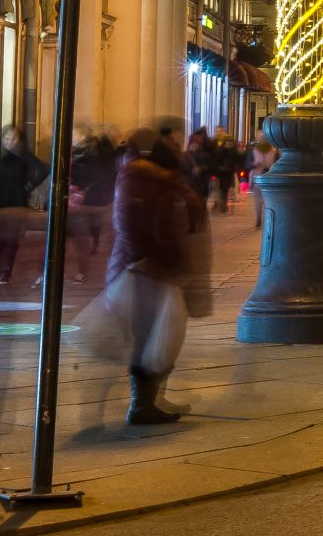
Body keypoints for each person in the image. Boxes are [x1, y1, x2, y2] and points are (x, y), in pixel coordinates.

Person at [108, 127, 204, 424]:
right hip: (148, 269)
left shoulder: (136, 177)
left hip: (143, 267)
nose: (177, 148)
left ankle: (151, 399)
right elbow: (154, 229)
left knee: (155, 335)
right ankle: (142, 404)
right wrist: (169, 262)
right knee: (151, 336)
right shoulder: (149, 180)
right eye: (171, 145)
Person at [0, 127, 45, 285]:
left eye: (14, 138)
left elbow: (43, 169)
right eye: (7, 137)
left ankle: (6, 272)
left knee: (10, 238)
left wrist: (28, 187)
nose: (10, 141)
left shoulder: (22, 155)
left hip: (16, 203)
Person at [68, 126, 120, 284]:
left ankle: (92, 273)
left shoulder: (92, 155)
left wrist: (79, 189)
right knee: (82, 240)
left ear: (83, 137)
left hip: (91, 202)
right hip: (81, 203)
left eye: (75, 135)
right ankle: (84, 272)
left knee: (92, 240)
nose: (72, 138)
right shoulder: (74, 154)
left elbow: (103, 176)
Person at [247, 135, 278, 229]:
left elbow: (277, 164)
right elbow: (247, 164)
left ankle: (265, 219)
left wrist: (270, 167)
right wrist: (254, 165)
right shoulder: (254, 151)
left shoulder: (273, 151)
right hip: (257, 178)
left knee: (267, 201)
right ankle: (259, 219)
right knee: (258, 201)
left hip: (269, 179)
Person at [210, 132, 239, 214]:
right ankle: (220, 204)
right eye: (228, 143)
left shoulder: (234, 152)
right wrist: (219, 168)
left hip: (229, 174)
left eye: (231, 143)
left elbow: (236, 162)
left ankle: (223, 204)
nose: (229, 144)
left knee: (225, 190)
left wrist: (232, 169)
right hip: (220, 174)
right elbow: (215, 161)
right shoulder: (220, 151)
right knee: (220, 189)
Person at [184, 130, 214, 204]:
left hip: (201, 183)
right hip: (196, 183)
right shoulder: (187, 156)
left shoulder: (204, 155)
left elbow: (211, 167)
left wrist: (202, 169)